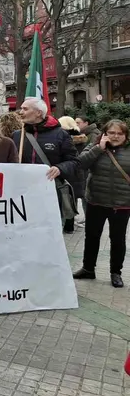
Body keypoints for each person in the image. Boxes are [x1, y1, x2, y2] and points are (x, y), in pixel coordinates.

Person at [73, 120, 130, 288]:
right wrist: (99, 148)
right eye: (112, 133)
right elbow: (80, 164)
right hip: (96, 201)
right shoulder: (95, 146)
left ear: (125, 136)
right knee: (91, 236)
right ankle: (88, 269)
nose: (116, 136)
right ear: (104, 133)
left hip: (122, 204)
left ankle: (116, 272)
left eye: (120, 133)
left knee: (117, 239)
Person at [12, 97, 79, 224]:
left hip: (50, 194)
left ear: (38, 112)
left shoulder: (60, 134)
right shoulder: (17, 135)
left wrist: (60, 168)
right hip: (23, 194)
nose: (20, 112)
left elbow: (74, 162)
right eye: (21, 108)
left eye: (25, 109)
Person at [59, 116, 87, 233]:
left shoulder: (62, 138)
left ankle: (68, 226)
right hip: (79, 174)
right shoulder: (81, 138)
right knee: (75, 198)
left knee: (68, 199)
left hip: (68, 172)